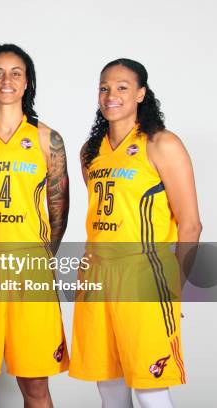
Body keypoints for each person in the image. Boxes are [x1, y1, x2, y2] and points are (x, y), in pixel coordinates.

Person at [69, 58, 202, 408]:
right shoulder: (90, 152)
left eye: (122, 87)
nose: (111, 95)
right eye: (104, 88)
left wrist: (176, 285)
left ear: (141, 93)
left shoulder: (162, 144)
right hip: (97, 275)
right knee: (108, 386)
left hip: (143, 274)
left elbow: (190, 223)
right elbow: (100, 216)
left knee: (149, 385)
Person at [0, 44, 69, 408]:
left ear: (27, 82)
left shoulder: (47, 139)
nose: (7, 80)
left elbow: (58, 210)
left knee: (35, 386)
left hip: (29, 271)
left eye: (16, 72)